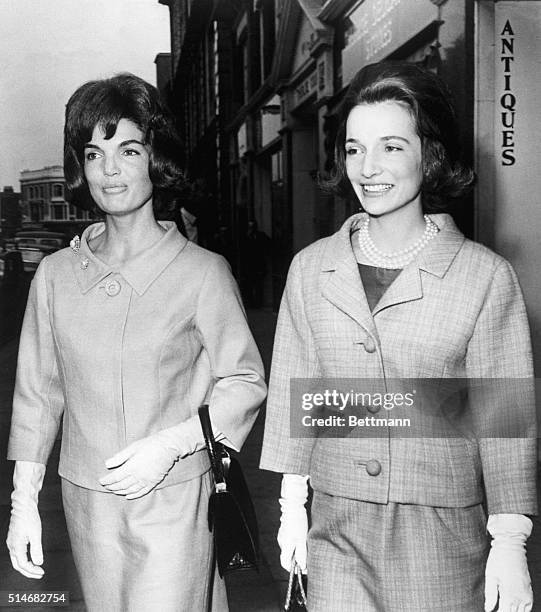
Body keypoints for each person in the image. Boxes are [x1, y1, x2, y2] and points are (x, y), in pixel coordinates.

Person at [260, 61, 537, 611]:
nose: (368, 168)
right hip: (337, 526)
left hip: (442, 532)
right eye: (354, 148)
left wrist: (510, 542)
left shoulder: (483, 276)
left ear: (428, 155)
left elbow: (502, 421)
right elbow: (302, 391)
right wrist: (293, 505)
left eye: (390, 146)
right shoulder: (311, 270)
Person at [6, 73, 266, 611]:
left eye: (127, 149)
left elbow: (244, 381)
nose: (109, 170)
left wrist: (174, 443)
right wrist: (22, 503)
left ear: (155, 157)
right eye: (93, 153)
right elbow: (38, 395)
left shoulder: (202, 273)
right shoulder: (54, 276)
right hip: (87, 504)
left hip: (174, 497)